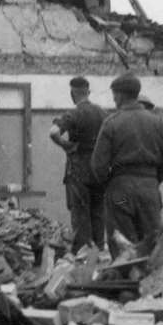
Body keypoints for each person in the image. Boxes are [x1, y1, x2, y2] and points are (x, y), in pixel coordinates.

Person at [91, 73, 163, 254]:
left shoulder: (111, 123)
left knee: (122, 242)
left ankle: (123, 279)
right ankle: (149, 281)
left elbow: (98, 166)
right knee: (151, 241)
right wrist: (153, 179)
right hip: (149, 192)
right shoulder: (161, 123)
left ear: (120, 95)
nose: (114, 99)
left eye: (114, 95)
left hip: (120, 194)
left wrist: (111, 185)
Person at [49, 76, 106, 254]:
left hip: (79, 170)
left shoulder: (73, 114)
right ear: (88, 92)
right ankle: (99, 255)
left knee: (80, 215)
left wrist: (67, 146)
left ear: (73, 94)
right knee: (98, 214)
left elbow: (53, 132)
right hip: (99, 170)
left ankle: (82, 256)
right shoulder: (102, 113)